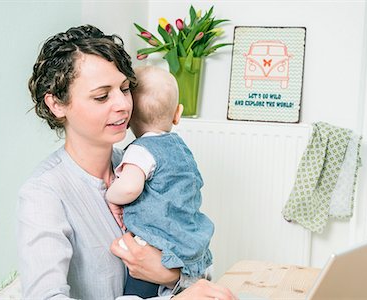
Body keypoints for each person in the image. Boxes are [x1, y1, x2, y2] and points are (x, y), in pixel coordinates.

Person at [17, 24, 235, 300]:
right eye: (102, 96)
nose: (123, 104)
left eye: (125, 88)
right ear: (56, 105)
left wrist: (171, 276)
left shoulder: (144, 167)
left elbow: (193, 259)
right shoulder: (43, 195)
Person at [105, 66, 214, 297]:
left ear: (129, 117)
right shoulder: (180, 147)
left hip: (155, 244)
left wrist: (110, 193)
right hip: (186, 243)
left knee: (136, 292)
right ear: (177, 113)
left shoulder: (140, 150)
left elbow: (130, 187)